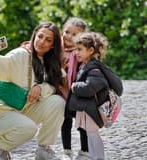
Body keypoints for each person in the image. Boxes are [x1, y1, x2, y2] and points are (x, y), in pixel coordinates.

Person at [0, 22, 65, 160]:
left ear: (52, 46)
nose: (42, 42)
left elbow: (52, 85)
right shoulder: (21, 54)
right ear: (34, 36)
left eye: (48, 40)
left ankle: (43, 149)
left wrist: (40, 87)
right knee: (30, 129)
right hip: (1, 111)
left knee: (58, 102)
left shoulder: (49, 62)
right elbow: (4, 67)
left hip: (23, 108)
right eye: (40, 36)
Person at [67, 32, 123, 160]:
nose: (76, 53)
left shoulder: (94, 69)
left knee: (93, 135)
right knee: (90, 134)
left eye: (80, 49)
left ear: (91, 50)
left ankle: (98, 157)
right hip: (87, 108)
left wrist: (75, 87)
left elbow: (90, 88)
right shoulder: (85, 66)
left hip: (91, 109)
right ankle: (94, 157)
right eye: (76, 49)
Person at [59, 17, 90, 160]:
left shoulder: (82, 51)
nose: (69, 37)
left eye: (74, 34)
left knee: (82, 122)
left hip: (77, 91)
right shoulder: (56, 46)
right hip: (61, 90)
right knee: (65, 121)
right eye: (67, 32)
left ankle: (85, 151)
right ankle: (67, 151)